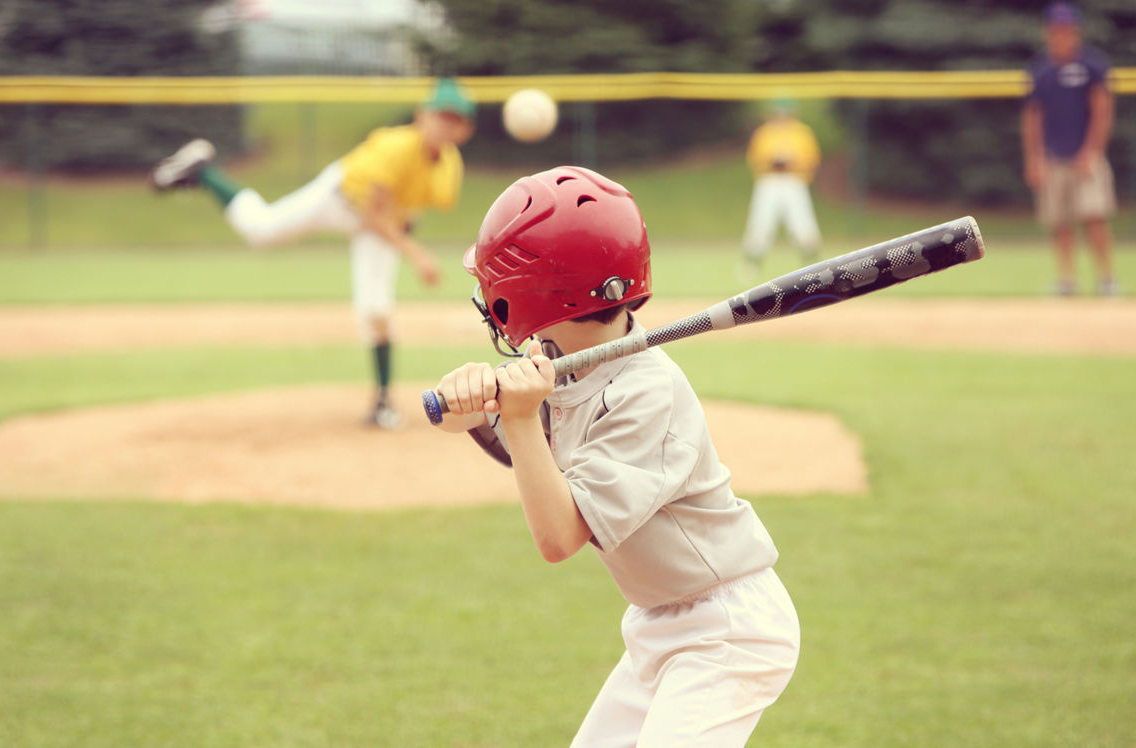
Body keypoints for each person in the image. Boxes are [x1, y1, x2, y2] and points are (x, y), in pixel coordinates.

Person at [434, 165, 800, 746]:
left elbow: (559, 537)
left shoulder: (646, 393)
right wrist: (470, 399)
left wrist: (523, 416)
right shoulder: (558, 356)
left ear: (532, 294)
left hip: (726, 630)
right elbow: (475, 429)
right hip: (658, 622)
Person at [150, 78, 477, 428]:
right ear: (421, 116)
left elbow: (410, 207)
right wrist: (415, 253)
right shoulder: (394, 147)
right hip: (339, 199)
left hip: (381, 224)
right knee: (261, 229)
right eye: (439, 116)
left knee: (376, 308)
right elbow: (372, 214)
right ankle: (203, 171)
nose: (445, 124)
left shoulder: (449, 168)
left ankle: (382, 404)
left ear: (465, 129)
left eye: (454, 119)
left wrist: (405, 239)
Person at [1022, 2, 1117, 296]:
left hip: (1085, 157)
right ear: (1048, 32)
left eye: (1067, 30)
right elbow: (1032, 117)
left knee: (1094, 216)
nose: (1061, 35)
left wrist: (1092, 151)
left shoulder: (1092, 65)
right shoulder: (1041, 69)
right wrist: (1034, 158)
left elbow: (1102, 110)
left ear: (1076, 32)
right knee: (1059, 221)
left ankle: (1106, 279)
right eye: (1056, 30)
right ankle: (1067, 280)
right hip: (1053, 158)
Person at [740, 99, 823, 278]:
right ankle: (752, 265)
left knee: (802, 223)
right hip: (769, 181)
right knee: (761, 223)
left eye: (785, 113)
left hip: (794, 181)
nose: (781, 117)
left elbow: (812, 158)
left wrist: (793, 161)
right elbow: (755, 158)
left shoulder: (802, 132)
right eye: (778, 113)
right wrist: (772, 160)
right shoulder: (764, 133)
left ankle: (813, 266)